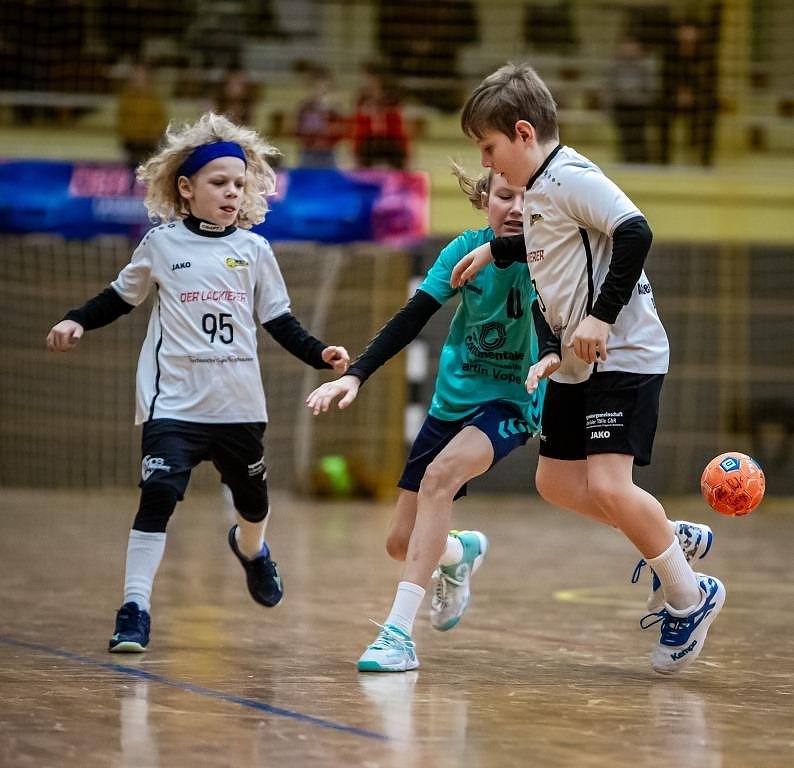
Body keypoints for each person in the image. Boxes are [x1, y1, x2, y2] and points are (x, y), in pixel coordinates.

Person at [450, 62, 724, 675]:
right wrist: (496, 253)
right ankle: (662, 533)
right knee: (556, 484)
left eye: (490, 150)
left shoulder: (570, 176)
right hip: (576, 366)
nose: (490, 166)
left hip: (622, 355)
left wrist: (600, 318)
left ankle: (690, 594)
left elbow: (634, 232)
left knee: (606, 485)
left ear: (523, 133)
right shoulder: (542, 192)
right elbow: (553, 260)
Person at [46, 112, 349, 653]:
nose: (232, 192)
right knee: (158, 495)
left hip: (238, 404)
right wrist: (76, 318)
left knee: (253, 505)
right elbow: (120, 296)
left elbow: (278, 321)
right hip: (175, 403)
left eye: (239, 184)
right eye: (219, 183)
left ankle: (253, 552)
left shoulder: (255, 251)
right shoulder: (161, 245)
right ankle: (134, 609)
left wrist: (318, 352)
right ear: (186, 189)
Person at [306, 166, 554, 672]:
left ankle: (398, 635)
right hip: (451, 402)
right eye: (504, 196)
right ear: (485, 199)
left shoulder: (549, 257)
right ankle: (459, 552)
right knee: (400, 543)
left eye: (525, 200)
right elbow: (411, 317)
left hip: (511, 402)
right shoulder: (464, 250)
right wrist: (355, 375)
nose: (514, 208)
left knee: (440, 478)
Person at [350, 62, 410, 170]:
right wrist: (354, 152)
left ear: (377, 79)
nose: (363, 82)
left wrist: (406, 153)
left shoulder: (393, 100)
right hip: (368, 144)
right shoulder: (361, 101)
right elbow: (357, 129)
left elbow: (399, 130)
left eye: (366, 78)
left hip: (390, 143)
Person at [116, 62, 168, 169]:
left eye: (141, 74)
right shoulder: (126, 98)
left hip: (150, 144)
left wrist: (153, 136)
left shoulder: (155, 99)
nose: (138, 78)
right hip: (131, 144)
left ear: (148, 77)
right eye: (135, 74)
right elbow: (122, 121)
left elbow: (160, 121)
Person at [293, 64, 345, 169]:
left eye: (324, 88)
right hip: (308, 153)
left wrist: (327, 119)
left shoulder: (335, 109)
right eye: (316, 88)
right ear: (310, 88)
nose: (320, 91)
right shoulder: (304, 107)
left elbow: (342, 131)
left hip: (328, 153)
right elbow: (297, 130)